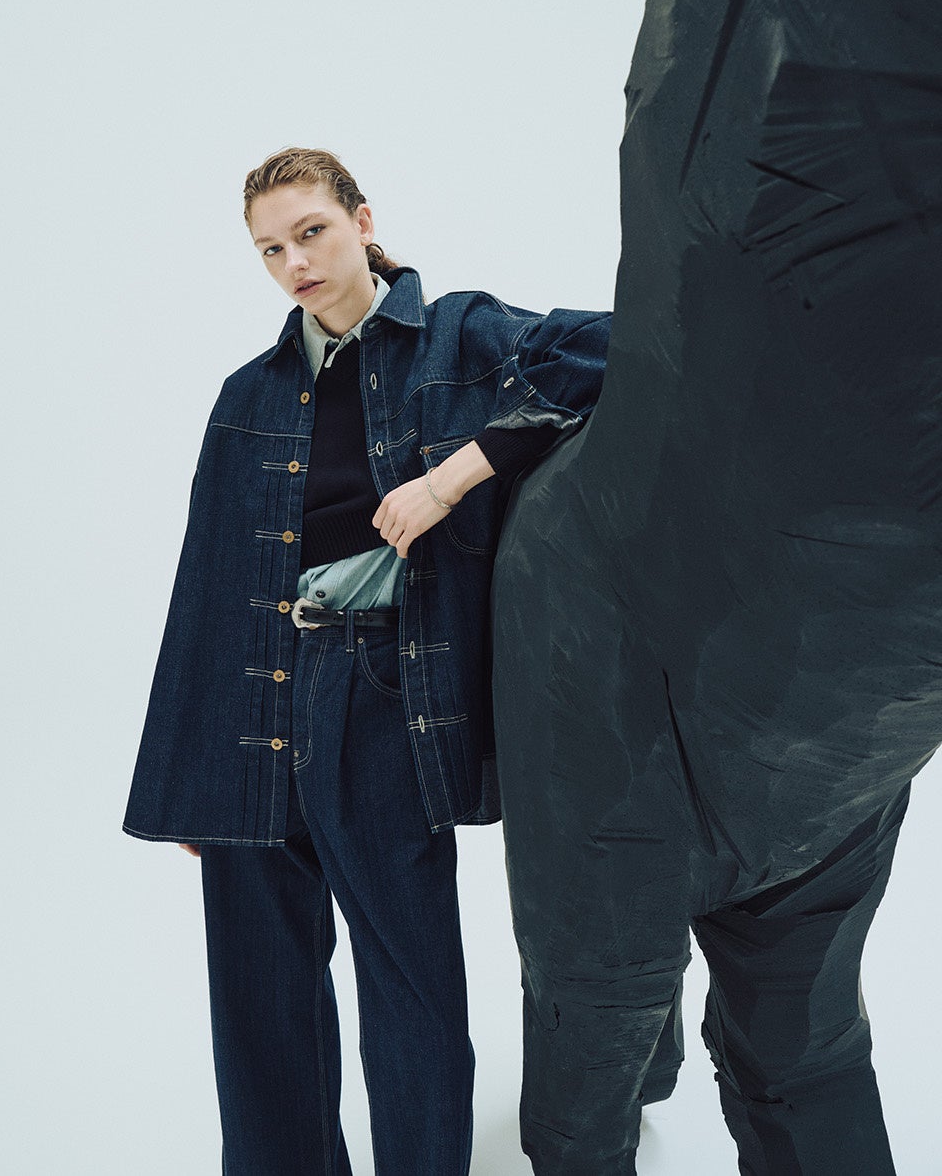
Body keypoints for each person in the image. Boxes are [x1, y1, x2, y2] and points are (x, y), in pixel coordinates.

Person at [123, 147, 615, 1175]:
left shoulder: (464, 335)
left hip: (384, 684)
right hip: (255, 705)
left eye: (311, 232)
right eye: (270, 251)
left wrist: (453, 477)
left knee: (408, 976)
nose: (295, 263)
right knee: (259, 989)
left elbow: (616, 348)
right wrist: (193, 777)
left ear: (362, 220)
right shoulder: (249, 393)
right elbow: (208, 583)